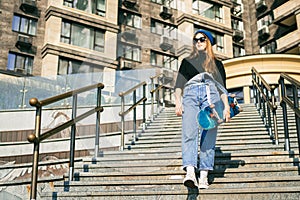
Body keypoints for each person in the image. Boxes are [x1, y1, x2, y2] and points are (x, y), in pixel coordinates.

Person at [174, 29, 231, 189]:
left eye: (202, 39)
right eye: (195, 40)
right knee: (189, 132)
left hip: (211, 95)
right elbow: (179, 85)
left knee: (209, 134)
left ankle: (204, 173)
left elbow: (222, 89)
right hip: (190, 95)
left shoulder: (217, 64)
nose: (198, 42)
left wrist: (226, 107)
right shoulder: (187, 61)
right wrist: (178, 101)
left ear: (208, 42)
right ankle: (190, 172)